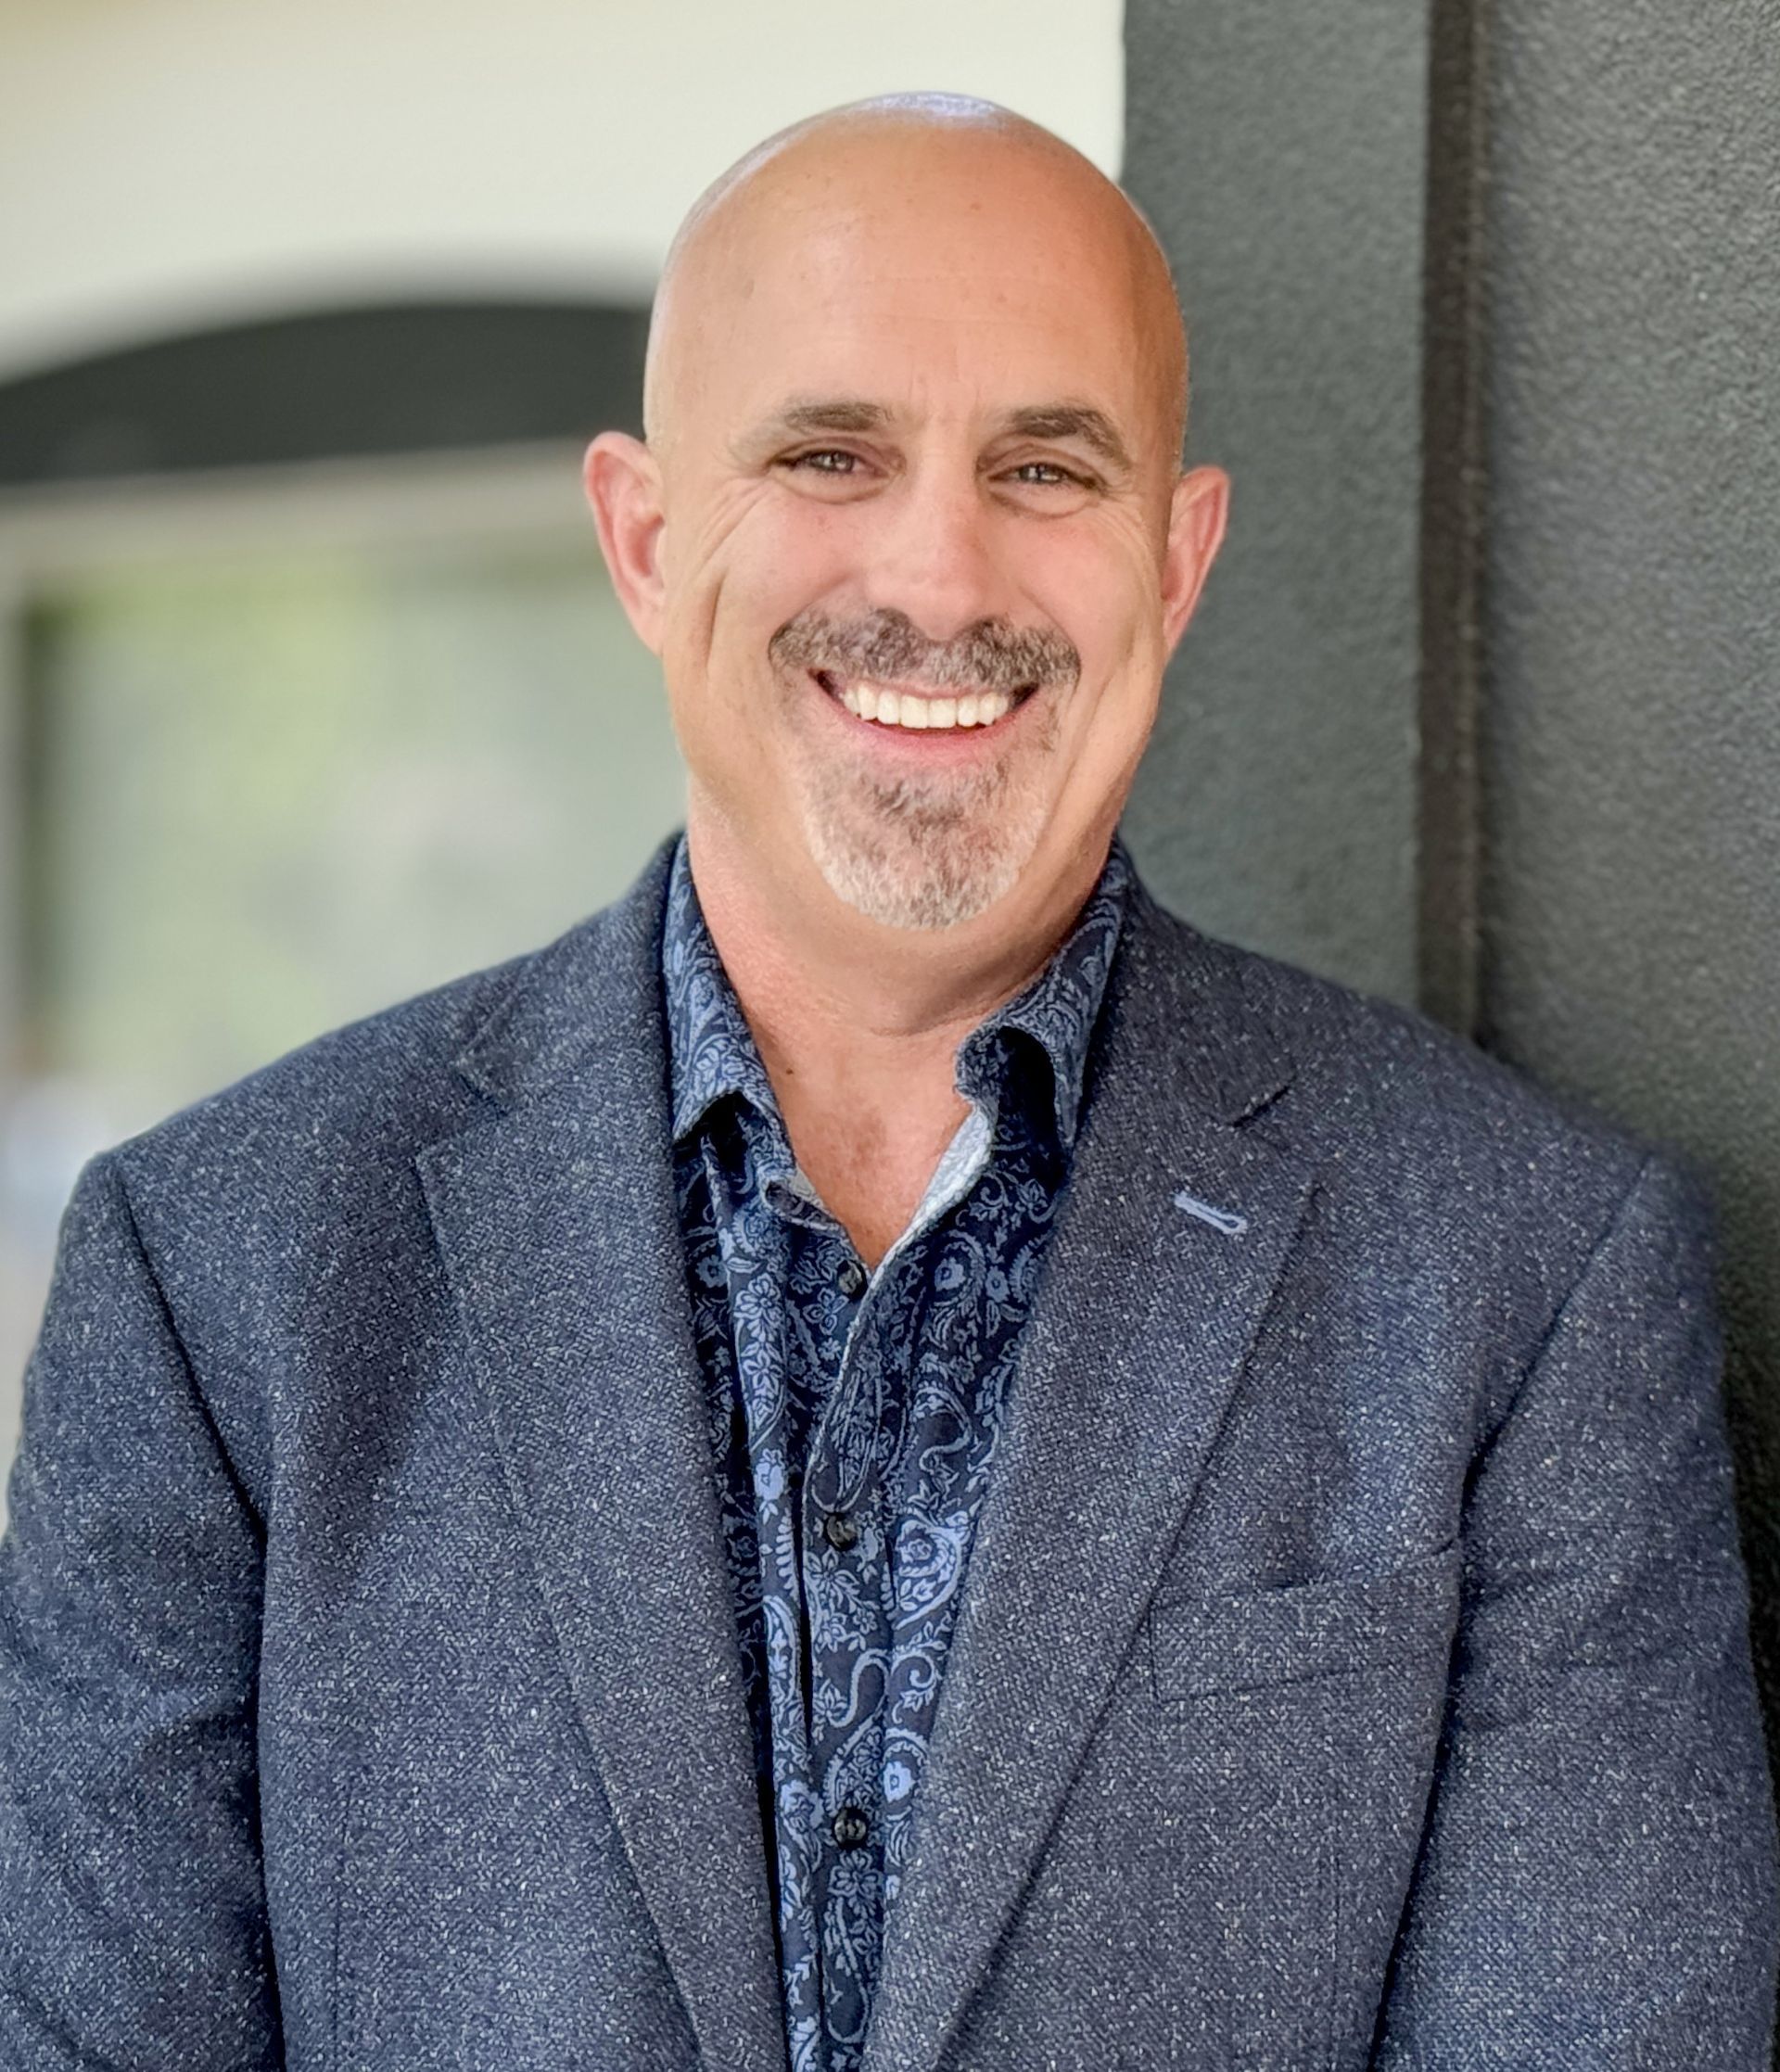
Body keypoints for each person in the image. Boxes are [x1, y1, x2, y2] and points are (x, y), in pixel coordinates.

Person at [0, 91, 1774, 2072]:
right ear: (647, 539)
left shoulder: (1527, 1277)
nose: (939, 573)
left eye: (1043, 463)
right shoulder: (221, 1277)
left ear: (1176, 560)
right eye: (830, 453)